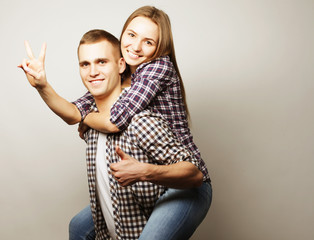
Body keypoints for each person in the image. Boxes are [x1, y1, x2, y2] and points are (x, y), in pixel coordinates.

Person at [19, 29, 207, 239]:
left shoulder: (140, 121)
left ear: (120, 65)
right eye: (85, 64)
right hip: (116, 229)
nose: (92, 72)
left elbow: (195, 174)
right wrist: (42, 85)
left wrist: (144, 171)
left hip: (181, 196)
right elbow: (72, 113)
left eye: (101, 62)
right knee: (79, 228)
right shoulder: (91, 125)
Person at [72, 5, 212, 240]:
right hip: (150, 182)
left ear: (160, 47)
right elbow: (78, 107)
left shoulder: (158, 67)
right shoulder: (122, 71)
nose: (135, 47)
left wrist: (88, 118)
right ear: (122, 34)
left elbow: (113, 121)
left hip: (185, 180)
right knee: (79, 227)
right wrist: (45, 88)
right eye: (131, 35)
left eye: (148, 42)